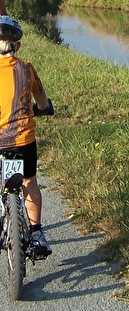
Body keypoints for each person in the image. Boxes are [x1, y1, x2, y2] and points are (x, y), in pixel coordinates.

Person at [0, 15, 52, 256]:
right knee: (29, 181)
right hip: (22, 140)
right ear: (17, 46)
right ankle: (37, 232)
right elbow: (41, 101)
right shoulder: (27, 69)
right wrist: (42, 108)